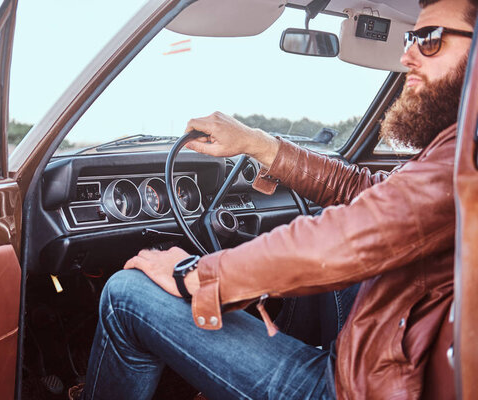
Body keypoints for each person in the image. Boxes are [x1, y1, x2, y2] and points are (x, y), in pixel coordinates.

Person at [79, 0, 477, 398]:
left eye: (429, 40)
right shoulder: (455, 151)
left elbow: (341, 240)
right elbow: (364, 193)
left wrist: (194, 275)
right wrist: (259, 143)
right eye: (411, 37)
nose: (406, 55)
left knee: (125, 295)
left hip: (354, 387)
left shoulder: (464, 163)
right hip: (385, 363)